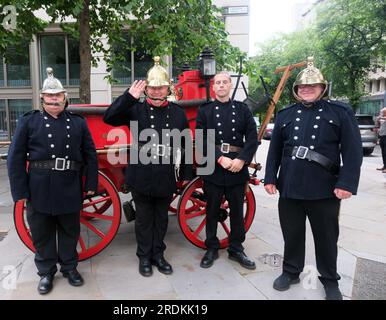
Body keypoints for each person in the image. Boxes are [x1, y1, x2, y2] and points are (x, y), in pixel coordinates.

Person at [264, 57, 363, 300]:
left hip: (325, 188)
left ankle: (329, 280)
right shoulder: (286, 114)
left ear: (322, 88)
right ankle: (291, 271)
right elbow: (275, 149)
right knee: (292, 233)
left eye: (312, 86)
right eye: (302, 87)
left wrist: (347, 183)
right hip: (291, 186)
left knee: (326, 237)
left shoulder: (339, 112)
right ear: (296, 90)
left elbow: (352, 151)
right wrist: (270, 178)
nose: (306, 90)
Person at [7, 68, 98, 294]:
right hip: (39, 186)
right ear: (42, 98)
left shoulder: (78, 123)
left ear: (65, 97)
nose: (54, 99)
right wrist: (20, 191)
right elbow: (15, 157)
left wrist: (90, 185)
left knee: (70, 230)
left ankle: (69, 268)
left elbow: (90, 155)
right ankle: (46, 272)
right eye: (50, 96)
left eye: (58, 95)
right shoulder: (29, 121)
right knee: (42, 232)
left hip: (69, 184)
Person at [103, 57, 193, 277]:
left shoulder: (178, 113)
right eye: (152, 88)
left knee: (161, 218)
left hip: (165, 172)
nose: (156, 92)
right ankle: (144, 257)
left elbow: (185, 144)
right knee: (143, 219)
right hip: (141, 171)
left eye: (160, 88)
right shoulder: (135, 109)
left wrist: (185, 175)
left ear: (167, 88)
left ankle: (158, 256)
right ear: (146, 89)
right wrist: (128, 97)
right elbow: (109, 117)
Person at [195, 72, 258, 270]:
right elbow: (201, 138)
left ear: (230, 85)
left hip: (237, 167)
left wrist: (242, 160)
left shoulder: (242, 110)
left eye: (224, 82)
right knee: (212, 209)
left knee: (237, 211)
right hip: (214, 166)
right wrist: (219, 158)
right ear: (213, 87)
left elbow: (252, 137)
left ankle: (236, 248)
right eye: (217, 83)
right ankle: (212, 247)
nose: (221, 86)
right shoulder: (205, 110)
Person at [375, 107, 386, 173]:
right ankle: (384, 166)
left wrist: (380, 117)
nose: (381, 113)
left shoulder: (383, 118)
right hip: (382, 137)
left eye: (382, 112)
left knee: (385, 152)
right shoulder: (382, 119)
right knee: (383, 152)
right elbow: (378, 124)